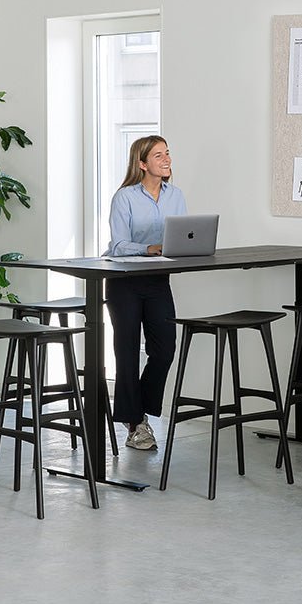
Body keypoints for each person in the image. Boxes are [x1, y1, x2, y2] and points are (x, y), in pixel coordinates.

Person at [105, 135, 186, 451]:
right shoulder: (124, 198)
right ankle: (136, 423)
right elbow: (118, 245)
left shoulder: (175, 195)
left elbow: (182, 235)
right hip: (124, 280)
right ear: (141, 164)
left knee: (165, 348)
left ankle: (136, 406)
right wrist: (148, 248)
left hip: (156, 280)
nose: (166, 159)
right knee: (126, 353)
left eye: (167, 153)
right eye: (158, 156)